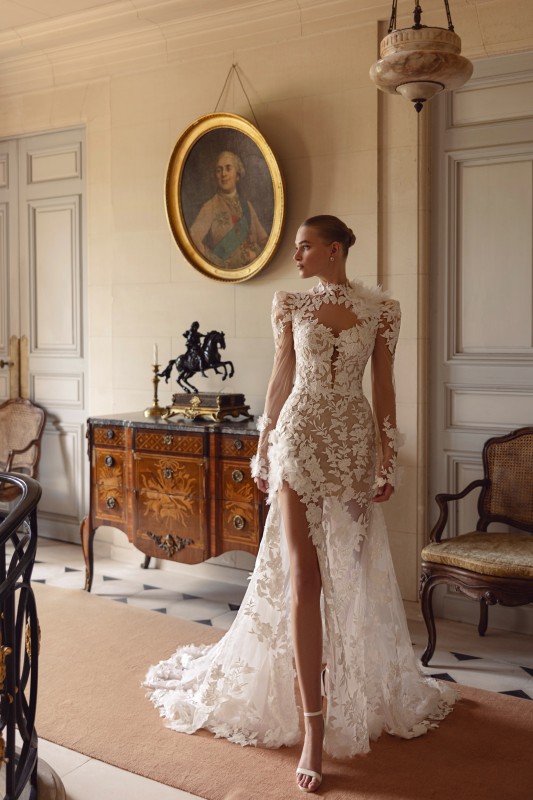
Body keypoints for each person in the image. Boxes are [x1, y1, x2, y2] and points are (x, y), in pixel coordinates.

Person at [144, 215, 456, 793]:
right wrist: (262, 450)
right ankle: (313, 728)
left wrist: (388, 454)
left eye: (305, 247)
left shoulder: (383, 312)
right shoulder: (289, 304)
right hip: (299, 440)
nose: (297, 256)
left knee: (350, 577)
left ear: (335, 250)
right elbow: (280, 377)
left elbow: (384, 386)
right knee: (302, 578)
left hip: (353, 446)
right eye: (296, 248)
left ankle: (350, 695)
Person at [189, 150, 268, 269]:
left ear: (237, 174)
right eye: (219, 170)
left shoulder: (247, 206)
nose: (223, 174)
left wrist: (256, 255)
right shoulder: (210, 206)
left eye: (228, 168)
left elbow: (264, 241)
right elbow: (193, 239)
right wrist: (216, 262)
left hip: (254, 273)